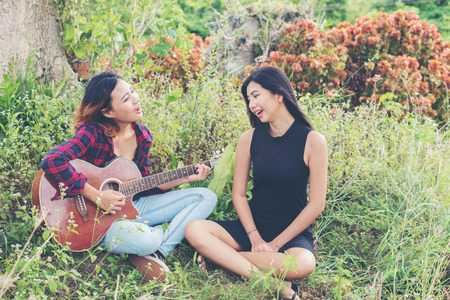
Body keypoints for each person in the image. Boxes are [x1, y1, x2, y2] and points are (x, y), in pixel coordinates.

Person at [40, 72, 217, 282]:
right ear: (106, 112)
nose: (136, 98)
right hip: (98, 222)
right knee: (146, 240)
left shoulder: (142, 135)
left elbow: (143, 185)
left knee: (205, 197)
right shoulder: (92, 132)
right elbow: (52, 161)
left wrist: (185, 178)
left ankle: (158, 253)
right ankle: (150, 240)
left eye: (132, 90)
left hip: (132, 206)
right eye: (126, 98)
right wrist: (96, 196)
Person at [185, 66, 327, 300]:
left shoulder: (313, 141)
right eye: (248, 99)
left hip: (292, 234)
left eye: (256, 95)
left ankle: (221, 258)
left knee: (303, 264)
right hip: (252, 227)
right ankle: (277, 286)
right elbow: (239, 195)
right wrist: (255, 238)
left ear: (278, 94)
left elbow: (316, 205)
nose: (251, 104)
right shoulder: (249, 138)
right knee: (195, 229)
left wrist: (275, 243)